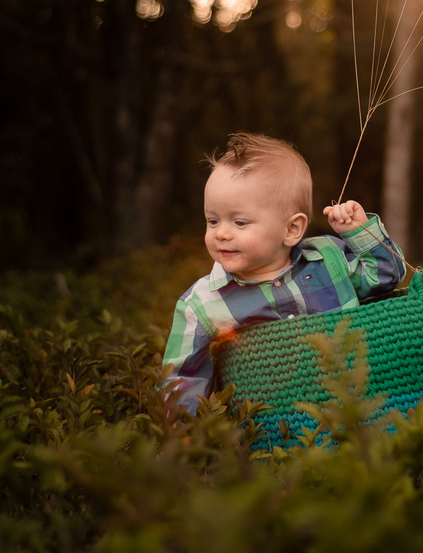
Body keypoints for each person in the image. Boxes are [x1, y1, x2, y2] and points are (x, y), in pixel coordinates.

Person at [161, 132, 407, 414]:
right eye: (212, 220)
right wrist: (186, 441)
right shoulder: (202, 303)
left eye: (239, 222)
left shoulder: (327, 261)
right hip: (268, 435)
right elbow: (182, 378)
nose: (222, 233)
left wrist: (359, 232)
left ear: (291, 229)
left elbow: (388, 275)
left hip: (358, 414)